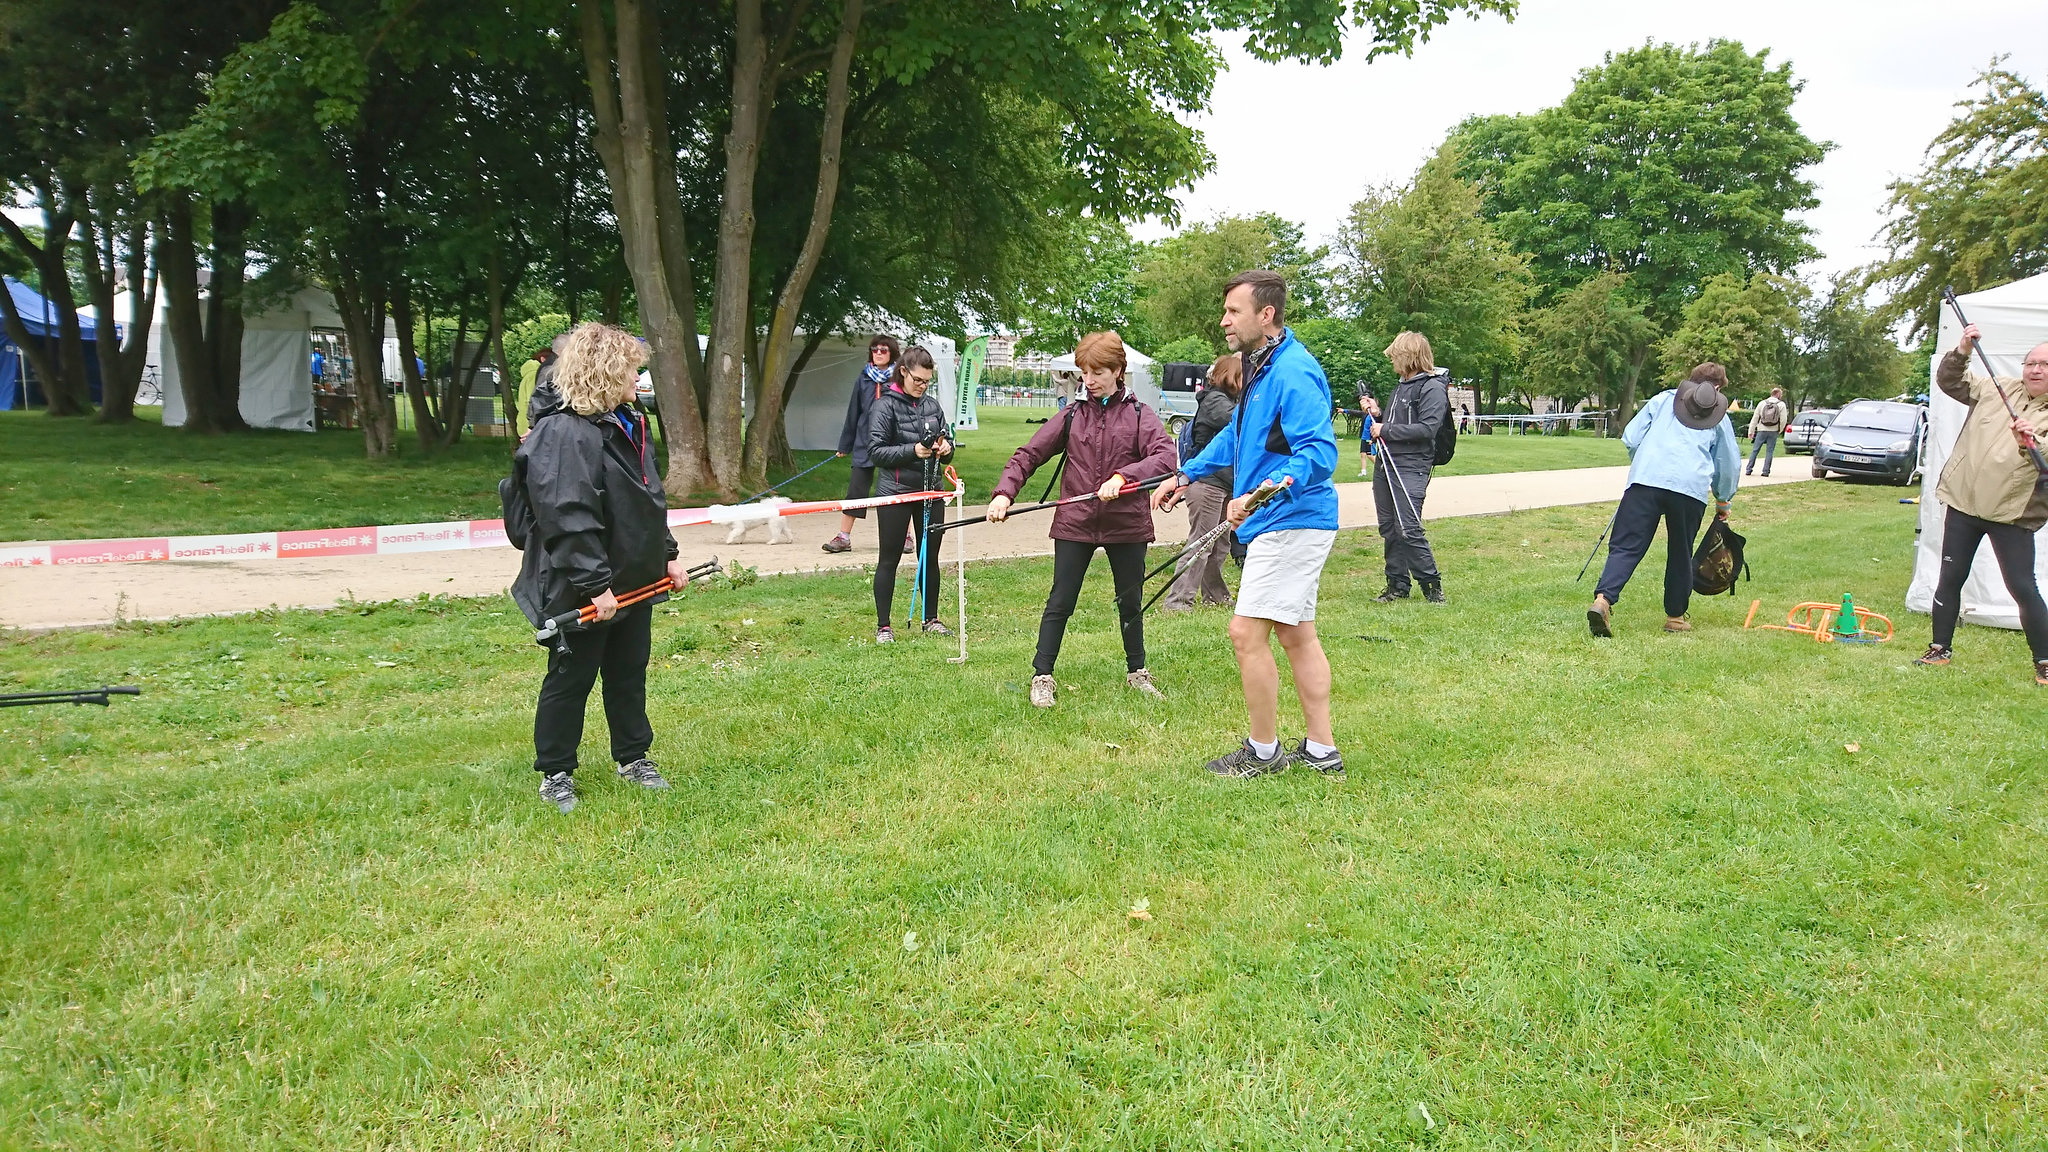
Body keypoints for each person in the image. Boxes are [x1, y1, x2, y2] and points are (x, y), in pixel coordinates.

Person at [1153, 270, 1343, 779]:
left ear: (1266, 315)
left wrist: (1256, 496)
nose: (1224, 321)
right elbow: (1236, 436)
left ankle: (1263, 751)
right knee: (1297, 636)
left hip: (1292, 520)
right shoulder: (1260, 367)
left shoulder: (1293, 372)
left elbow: (1320, 455)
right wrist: (1184, 473)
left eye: (1234, 311)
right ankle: (1323, 751)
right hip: (1284, 520)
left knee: (1244, 632)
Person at [510, 323, 692, 813]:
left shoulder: (627, 422)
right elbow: (567, 514)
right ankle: (555, 773)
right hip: (582, 583)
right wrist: (595, 585)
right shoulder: (563, 432)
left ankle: (633, 757)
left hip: (633, 576)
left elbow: (647, 500)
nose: (639, 378)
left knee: (628, 672)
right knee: (572, 677)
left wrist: (667, 556)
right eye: (633, 370)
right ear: (605, 371)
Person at [988, 331, 1178, 706]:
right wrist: (1003, 493)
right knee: (1061, 600)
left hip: (1127, 524)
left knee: (1130, 600)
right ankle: (1042, 676)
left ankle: (1137, 672)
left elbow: (1165, 456)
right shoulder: (1073, 415)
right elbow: (1028, 454)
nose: (1088, 381)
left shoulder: (1140, 414)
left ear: (1118, 371)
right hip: (1075, 521)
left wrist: (1125, 477)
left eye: (1097, 373)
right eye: (1084, 373)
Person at [1915, 323, 2048, 687]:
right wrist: (1962, 350)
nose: (2035, 369)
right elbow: (1950, 381)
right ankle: (1939, 648)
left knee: (2022, 587)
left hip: (2011, 514)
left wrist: (2032, 442)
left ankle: (2044, 662)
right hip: (1964, 503)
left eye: (2045, 364)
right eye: (2030, 362)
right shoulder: (1997, 388)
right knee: (1949, 579)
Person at [1587, 364, 1741, 638]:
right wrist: (1723, 500)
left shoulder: (1661, 400)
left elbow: (1632, 438)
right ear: (1717, 389)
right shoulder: (1720, 417)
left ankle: (1603, 600)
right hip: (1689, 490)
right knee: (1681, 552)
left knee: (1625, 546)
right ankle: (1675, 616)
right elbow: (1727, 464)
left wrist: (1644, 465)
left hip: (1645, 481)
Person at [867, 345, 954, 643]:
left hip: (931, 491)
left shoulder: (932, 406)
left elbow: (948, 443)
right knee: (888, 559)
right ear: (903, 372)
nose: (922, 386)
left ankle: (931, 618)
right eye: (917, 380)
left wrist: (946, 448)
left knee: (930, 557)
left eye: (927, 381)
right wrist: (912, 451)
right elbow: (876, 452)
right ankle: (884, 626)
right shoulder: (884, 406)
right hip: (896, 491)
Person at [1362, 332, 1452, 604]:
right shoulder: (1402, 385)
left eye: (1395, 357)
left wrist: (1384, 428)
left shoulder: (1433, 387)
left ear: (1409, 357)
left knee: (1408, 527)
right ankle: (1397, 584)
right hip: (1386, 464)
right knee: (1389, 527)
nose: (1392, 362)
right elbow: (1397, 420)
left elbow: (1427, 429)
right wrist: (1378, 413)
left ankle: (1431, 585)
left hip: (1411, 465)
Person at [1161, 353, 1242, 613]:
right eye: (1244, 376)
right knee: (1200, 544)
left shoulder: (1226, 399)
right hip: (1207, 484)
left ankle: (1215, 595)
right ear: (1232, 376)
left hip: (1223, 484)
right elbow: (1240, 423)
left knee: (1219, 545)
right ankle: (1177, 602)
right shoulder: (1215, 400)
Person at [823, 335, 900, 554]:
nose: (878, 353)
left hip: (891, 444)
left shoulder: (899, 379)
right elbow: (853, 413)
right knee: (856, 490)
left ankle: (904, 536)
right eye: (874, 349)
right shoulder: (863, 378)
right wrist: (844, 444)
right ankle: (843, 537)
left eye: (883, 350)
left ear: (892, 353)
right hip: (863, 443)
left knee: (896, 489)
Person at [1746, 386, 1789, 476]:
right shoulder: (1781, 405)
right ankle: (1765, 471)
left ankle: (1749, 469)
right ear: (1778, 395)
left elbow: (1755, 418)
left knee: (1755, 450)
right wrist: (1779, 430)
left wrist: (1751, 431)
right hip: (1773, 431)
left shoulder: (1762, 403)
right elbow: (1783, 420)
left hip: (1761, 429)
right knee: (1769, 451)